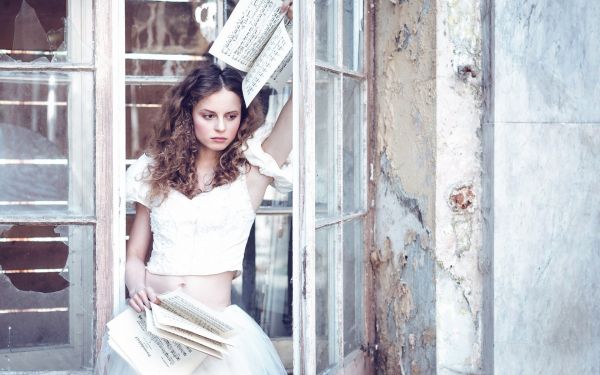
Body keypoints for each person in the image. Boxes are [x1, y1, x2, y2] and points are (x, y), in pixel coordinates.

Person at [96, 3, 294, 371]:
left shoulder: (250, 174)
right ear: (189, 116)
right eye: (209, 116)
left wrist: (295, 31)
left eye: (231, 116)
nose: (221, 126)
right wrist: (136, 286)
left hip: (218, 338)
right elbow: (136, 256)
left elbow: (297, 112)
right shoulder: (154, 173)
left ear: (241, 118)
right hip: (154, 334)